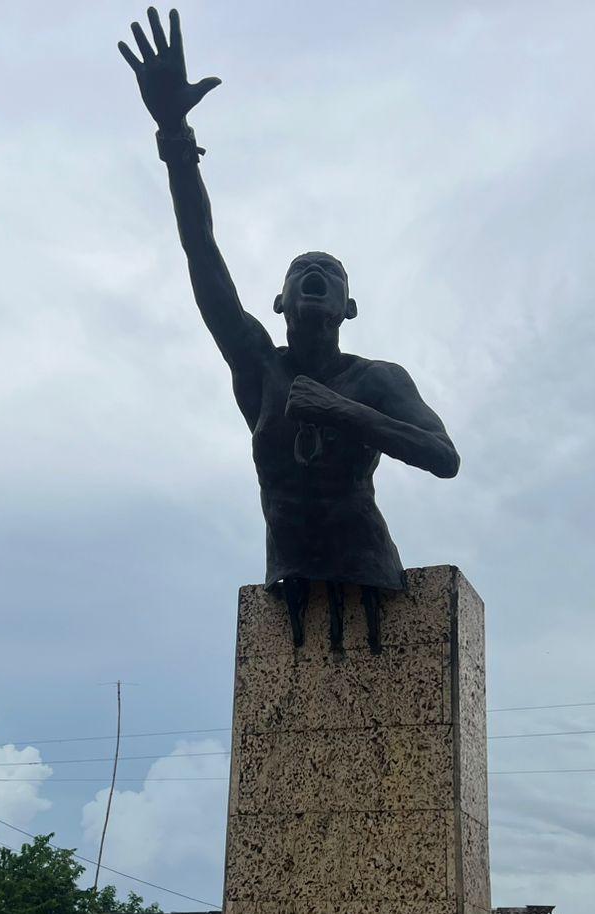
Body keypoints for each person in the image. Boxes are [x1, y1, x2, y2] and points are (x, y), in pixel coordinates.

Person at [118, 8, 460, 652]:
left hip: (368, 575)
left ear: (350, 307)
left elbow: (444, 457)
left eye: (330, 271)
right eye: (302, 268)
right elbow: (202, 252)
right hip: (289, 582)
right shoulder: (258, 366)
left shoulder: (376, 379)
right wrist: (174, 132)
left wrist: (341, 410)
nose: (315, 272)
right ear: (278, 300)